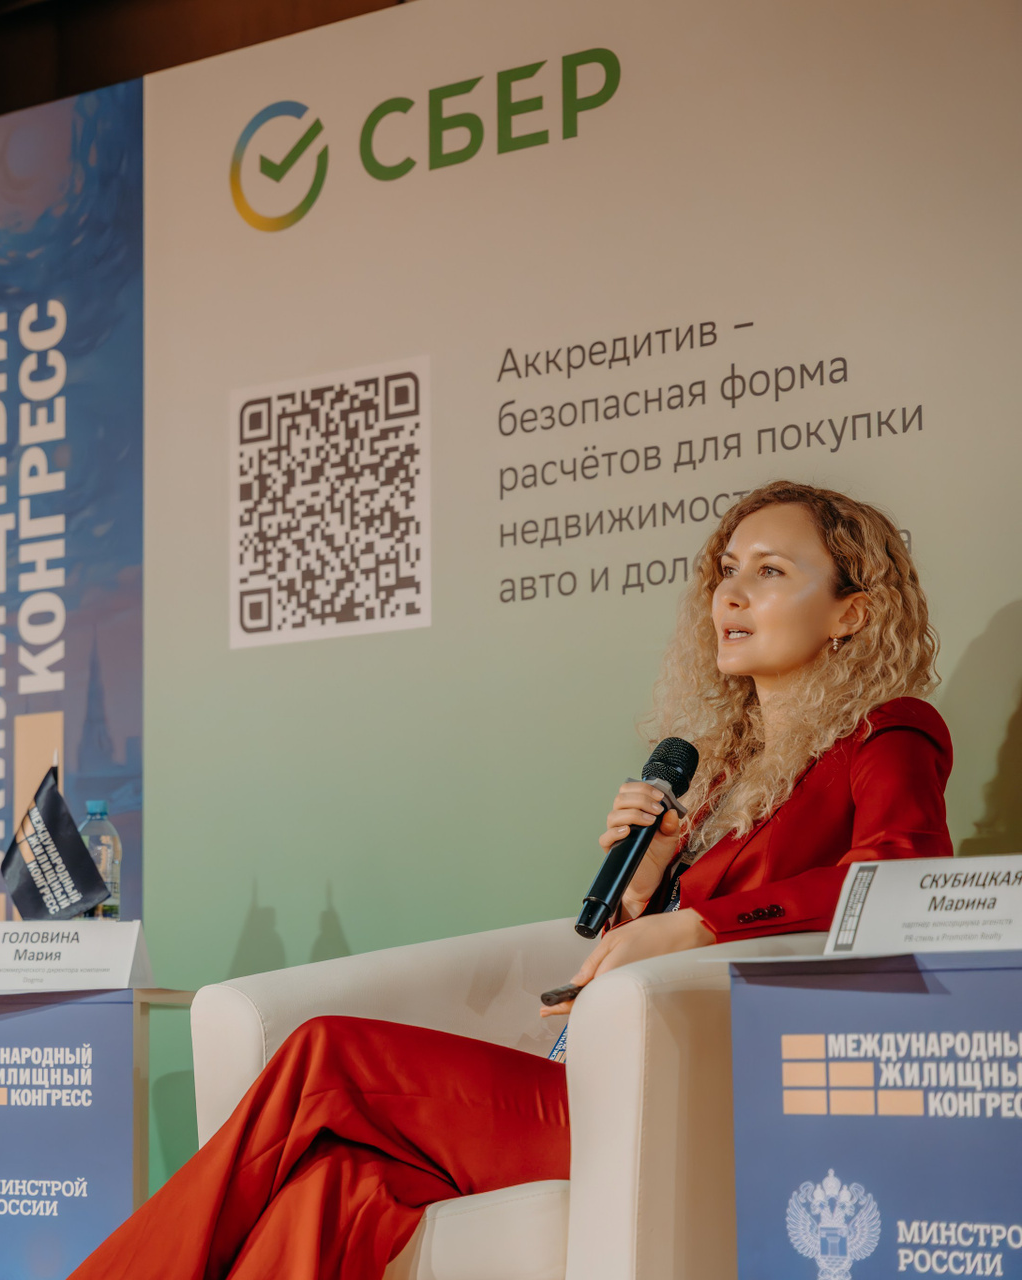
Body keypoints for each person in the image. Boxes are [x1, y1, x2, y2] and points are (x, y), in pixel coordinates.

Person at [69, 480, 953, 1280]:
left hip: (698, 1095)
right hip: (594, 1065)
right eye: (727, 570)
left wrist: (698, 923)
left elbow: (902, 881)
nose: (731, 593)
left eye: (770, 571)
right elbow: (642, 957)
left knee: (325, 1055)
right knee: (334, 1184)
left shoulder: (888, 733)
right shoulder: (719, 775)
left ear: (852, 613)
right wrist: (647, 886)